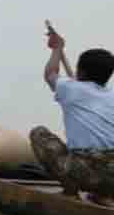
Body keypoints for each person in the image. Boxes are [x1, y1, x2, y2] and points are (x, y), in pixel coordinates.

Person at [31, 25, 114, 205]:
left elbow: (50, 73)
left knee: (38, 133)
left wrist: (57, 49)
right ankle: (105, 195)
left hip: (84, 173)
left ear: (81, 71)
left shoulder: (71, 88)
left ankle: (70, 192)